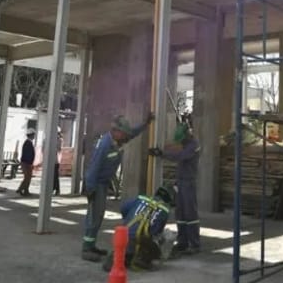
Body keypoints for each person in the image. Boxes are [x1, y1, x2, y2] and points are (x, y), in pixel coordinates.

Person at [82, 112, 154, 262]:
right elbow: (93, 169)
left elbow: (132, 133)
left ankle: (91, 245)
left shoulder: (118, 139)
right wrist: (90, 189)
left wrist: (146, 124)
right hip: (96, 184)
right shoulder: (104, 145)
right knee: (94, 216)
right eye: (123, 133)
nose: (125, 136)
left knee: (99, 215)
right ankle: (86, 249)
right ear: (116, 131)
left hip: (103, 183)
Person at [148, 117, 200, 254]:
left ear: (187, 135)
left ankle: (194, 244)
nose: (181, 142)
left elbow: (181, 156)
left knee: (190, 213)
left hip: (189, 182)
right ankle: (183, 242)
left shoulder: (194, 145)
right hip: (181, 181)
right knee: (180, 213)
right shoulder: (186, 143)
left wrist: (162, 153)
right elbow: (178, 151)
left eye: (182, 140)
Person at [102, 185, 175, 272]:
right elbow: (155, 232)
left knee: (126, 245)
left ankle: (120, 256)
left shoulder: (141, 198)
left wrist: (130, 220)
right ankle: (143, 259)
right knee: (164, 237)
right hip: (140, 240)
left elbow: (123, 209)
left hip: (124, 236)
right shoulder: (164, 211)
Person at [16, 129, 36, 196]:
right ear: (31, 135)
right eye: (33, 135)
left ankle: (25, 190)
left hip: (26, 162)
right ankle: (21, 189)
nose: (34, 136)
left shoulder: (28, 142)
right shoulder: (28, 143)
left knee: (28, 177)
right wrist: (30, 163)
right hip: (26, 163)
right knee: (27, 177)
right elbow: (28, 154)